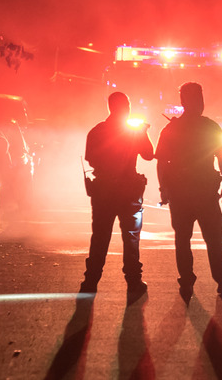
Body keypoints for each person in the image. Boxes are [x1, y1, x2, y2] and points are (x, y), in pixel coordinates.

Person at [155, 82, 222, 301]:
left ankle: (186, 281)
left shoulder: (171, 128)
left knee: (183, 239)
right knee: (214, 239)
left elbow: (162, 163)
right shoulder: (210, 126)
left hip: (180, 193)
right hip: (204, 193)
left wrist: (164, 189)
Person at [80, 92, 153, 301]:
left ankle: (90, 282)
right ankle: (133, 282)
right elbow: (149, 154)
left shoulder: (97, 131)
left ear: (110, 107)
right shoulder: (133, 131)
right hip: (129, 190)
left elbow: (92, 160)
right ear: (127, 107)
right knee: (131, 236)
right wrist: (144, 132)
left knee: (100, 237)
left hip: (103, 190)